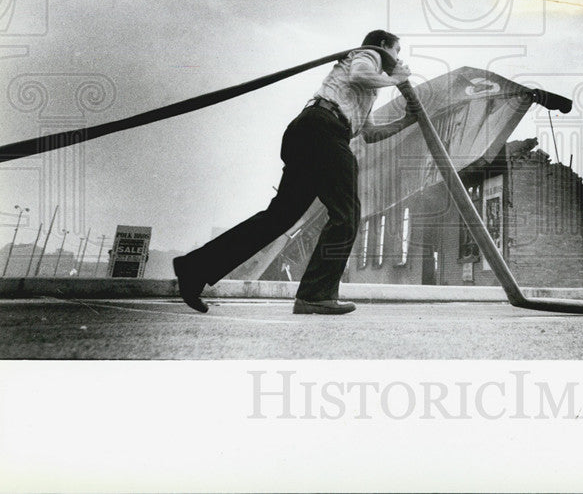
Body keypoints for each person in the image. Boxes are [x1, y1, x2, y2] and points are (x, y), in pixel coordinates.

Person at [173, 30, 412, 315]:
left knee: (279, 218)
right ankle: (315, 295)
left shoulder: (370, 90)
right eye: (397, 51)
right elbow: (360, 74)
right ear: (385, 46)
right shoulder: (369, 54)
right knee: (346, 215)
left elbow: (370, 133)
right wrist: (396, 77)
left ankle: (194, 268)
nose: (397, 58)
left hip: (312, 129)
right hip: (324, 129)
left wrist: (407, 121)